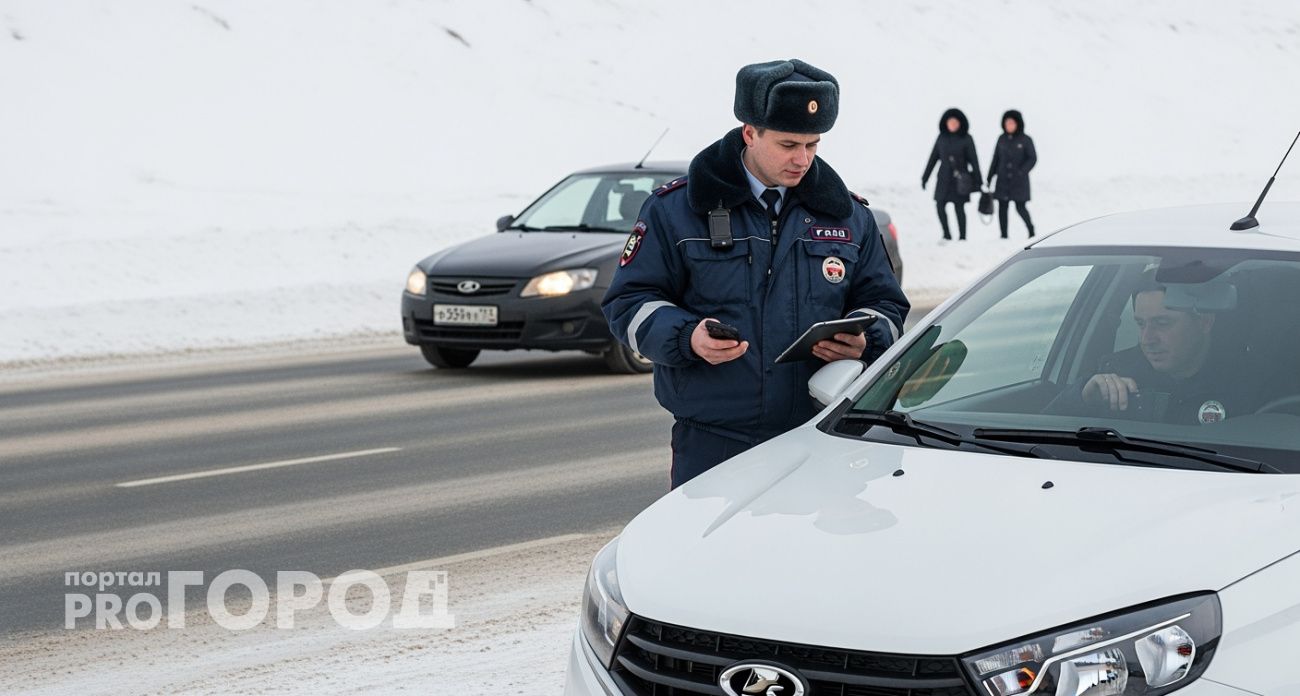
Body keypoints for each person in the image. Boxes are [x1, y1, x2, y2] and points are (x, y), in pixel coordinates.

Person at [602, 59, 909, 489]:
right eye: (788, 145)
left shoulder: (849, 217)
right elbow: (627, 303)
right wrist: (687, 337)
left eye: (813, 145)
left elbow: (888, 306)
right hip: (713, 444)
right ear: (750, 133)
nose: (802, 159)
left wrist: (865, 339)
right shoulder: (676, 210)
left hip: (820, 439)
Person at [1048, 273, 1253, 424]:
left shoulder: (1248, 382)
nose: (1147, 339)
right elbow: (1045, 431)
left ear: (1205, 322)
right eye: (1140, 324)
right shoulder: (1115, 374)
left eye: (1162, 323)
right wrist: (1083, 398)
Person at [921, 108, 980, 241]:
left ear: (960, 123)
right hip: (943, 179)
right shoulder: (941, 137)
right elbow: (933, 158)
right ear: (946, 123)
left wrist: (978, 182)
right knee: (939, 205)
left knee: (959, 208)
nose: (952, 124)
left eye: (955, 122)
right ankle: (946, 233)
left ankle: (962, 236)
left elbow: (974, 161)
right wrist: (925, 177)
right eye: (950, 122)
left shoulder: (967, 138)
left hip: (960, 181)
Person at [986, 109, 1037, 238]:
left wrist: (1022, 171)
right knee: (1002, 207)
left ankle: (1031, 230)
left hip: (1019, 181)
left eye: (1012, 123)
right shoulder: (1001, 139)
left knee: (1020, 207)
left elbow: (1032, 158)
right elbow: (995, 159)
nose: (1009, 125)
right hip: (1003, 180)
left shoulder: (1026, 140)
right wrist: (989, 176)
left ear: (1018, 124)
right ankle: (1003, 235)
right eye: (1007, 123)